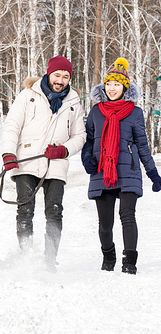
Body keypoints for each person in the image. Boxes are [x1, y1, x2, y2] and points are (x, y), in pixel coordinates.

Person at [0, 55, 86, 271]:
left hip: (56, 164)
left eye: (66, 76)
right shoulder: (28, 95)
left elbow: (80, 135)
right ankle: (26, 257)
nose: (61, 80)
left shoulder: (74, 103)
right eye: (57, 75)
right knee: (25, 210)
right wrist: (9, 153)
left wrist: (64, 150)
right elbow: (12, 125)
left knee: (55, 211)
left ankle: (49, 261)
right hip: (26, 160)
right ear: (49, 73)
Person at [81, 57, 161, 275]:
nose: (112, 88)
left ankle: (130, 261)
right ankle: (108, 256)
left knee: (127, 215)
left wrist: (153, 173)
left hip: (128, 170)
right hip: (102, 171)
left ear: (124, 87)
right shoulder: (96, 111)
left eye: (117, 84)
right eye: (108, 84)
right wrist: (87, 157)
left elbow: (143, 146)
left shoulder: (134, 112)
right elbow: (88, 140)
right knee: (105, 224)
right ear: (104, 86)